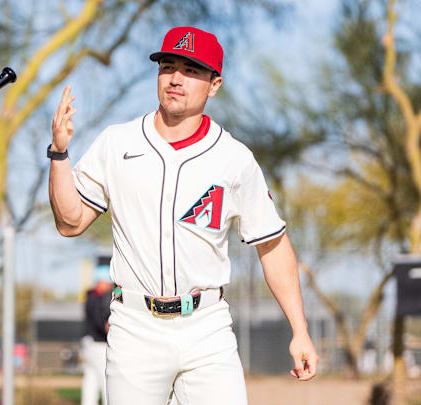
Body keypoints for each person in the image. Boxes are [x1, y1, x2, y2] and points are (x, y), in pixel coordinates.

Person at [48, 26, 319, 404]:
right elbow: (69, 222)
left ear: (214, 84)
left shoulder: (234, 158)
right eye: (168, 66)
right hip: (135, 326)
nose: (176, 78)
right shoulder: (117, 142)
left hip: (206, 325)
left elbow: (272, 246)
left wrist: (300, 329)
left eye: (191, 70)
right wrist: (59, 155)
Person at [81, 256, 114, 405]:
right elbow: (103, 324)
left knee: (91, 382)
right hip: (99, 345)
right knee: (107, 382)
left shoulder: (90, 296)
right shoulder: (97, 298)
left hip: (89, 343)